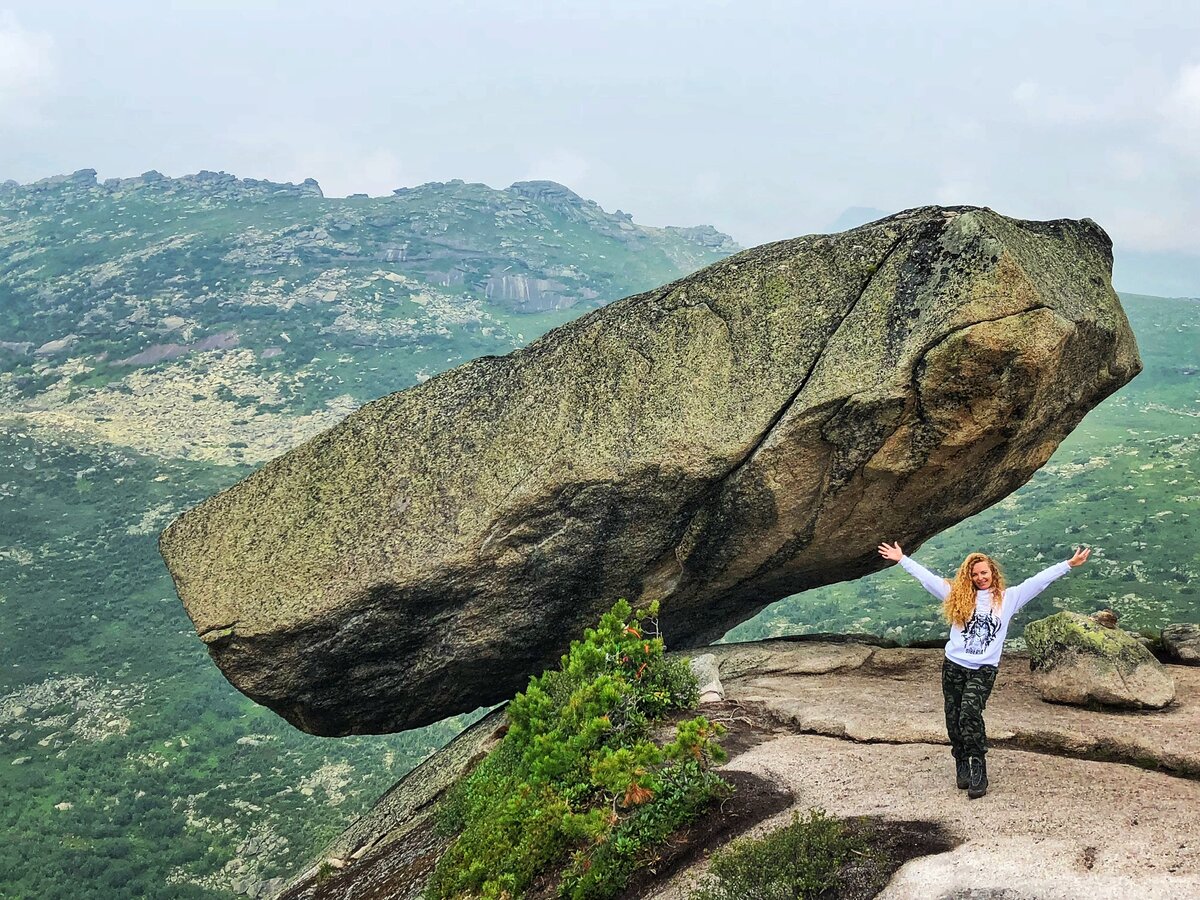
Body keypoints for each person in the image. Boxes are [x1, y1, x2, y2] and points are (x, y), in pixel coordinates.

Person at [877, 541, 1091, 798]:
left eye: (984, 573)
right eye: (975, 574)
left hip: (983, 669)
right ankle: (961, 762)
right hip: (954, 666)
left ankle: (978, 767)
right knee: (954, 718)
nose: (980, 578)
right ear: (970, 576)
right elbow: (928, 579)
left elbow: (1038, 582)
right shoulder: (957, 595)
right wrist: (902, 559)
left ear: (993, 573)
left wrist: (1067, 565)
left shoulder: (1008, 598)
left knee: (970, 712)